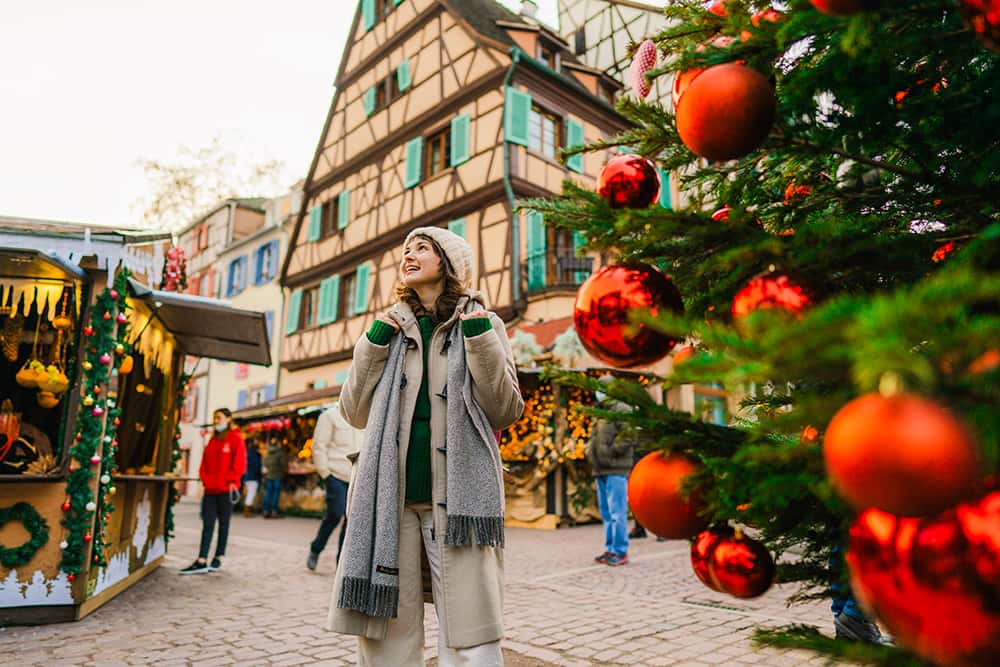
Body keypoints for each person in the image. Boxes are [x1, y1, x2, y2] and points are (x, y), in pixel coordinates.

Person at [328, 227, 523, 666]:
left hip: (459, 503)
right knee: (387, 633)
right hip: (388, 502)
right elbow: (354, 411)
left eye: (422, 248)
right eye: (406, 250)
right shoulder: (389, 329)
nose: (409, 255)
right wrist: (374, 341)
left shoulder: (484, 323)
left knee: (470, 629)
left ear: (449, 262)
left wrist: (478, 338)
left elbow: (506, 408)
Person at [180, 408, 246, 574]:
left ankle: (219, 556)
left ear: (228, 419)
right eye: (214, 418)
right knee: (207, 524)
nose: (216, 421)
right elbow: (205, 464)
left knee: (224, 524)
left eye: (219, 417)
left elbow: (239, 464)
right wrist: (206, 479)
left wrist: (230, 480)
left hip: (226, 489)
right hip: (210, 489)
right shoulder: (212, 440)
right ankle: (202, 559)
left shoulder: (235, 439)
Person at [587, 377, 637, 567]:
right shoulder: (600, 411)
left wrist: (610, 452)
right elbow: (594, 437)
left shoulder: (622, 409)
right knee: (606, 513)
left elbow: (629, 436)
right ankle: (610, 549)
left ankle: (620, 551)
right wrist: (590, 453)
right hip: (600, 468)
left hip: (616, 467)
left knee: (617, 512)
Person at [307, 402, 362, 570]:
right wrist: (325, 473)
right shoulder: (329, 416)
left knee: (351, 520)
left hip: (357, 476)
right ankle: (316, 549)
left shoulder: (363, 417)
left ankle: (341, 563)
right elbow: (319, 445)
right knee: (335, 513)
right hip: (335, 474)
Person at [261, 438, 288, 518]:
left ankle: (265, 510)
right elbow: (283, 464)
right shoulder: (280, 453)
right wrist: (285, 470)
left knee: (268, 493)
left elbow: (264, 463)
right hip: (277, 475)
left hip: (268, 476)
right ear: (277, 444)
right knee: (276, 494)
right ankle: (274, 511)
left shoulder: (267, 453)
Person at [242, 437, 263, 517]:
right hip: (252, 477)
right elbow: (256, 466)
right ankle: (247, 511)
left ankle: (248, 510)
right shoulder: (254, 454)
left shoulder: (248, 453)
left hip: (248, 476)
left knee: (250, 493)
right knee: (251, 494)